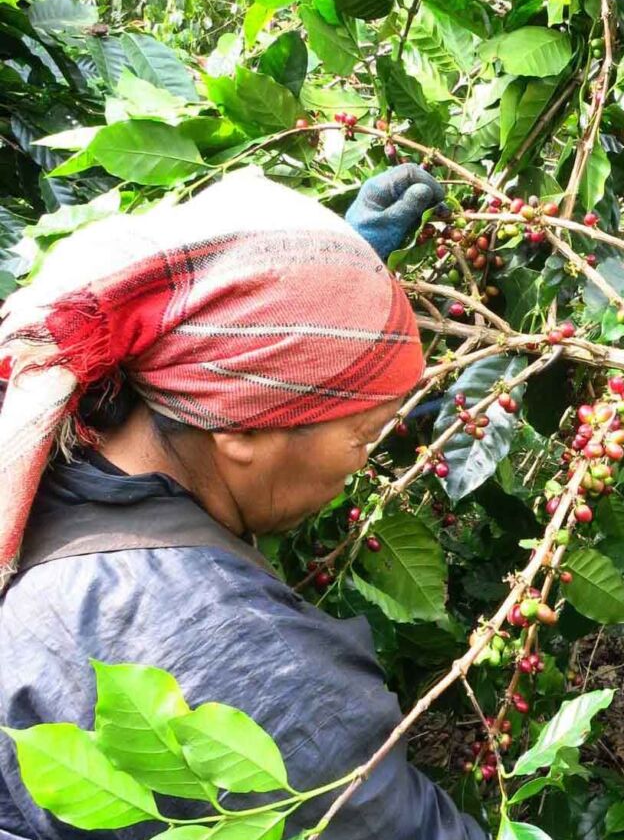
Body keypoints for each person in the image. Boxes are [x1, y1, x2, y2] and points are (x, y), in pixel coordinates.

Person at [0, 166, 487, 840]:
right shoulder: (247, 667)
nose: (366, 462)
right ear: (243, 427)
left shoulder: (53, 435)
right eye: (363, 436)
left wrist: (317, 292)